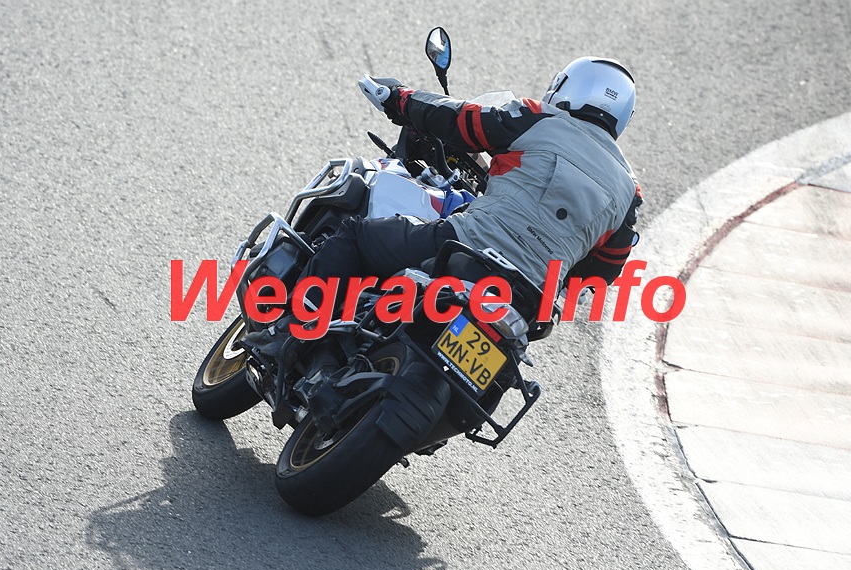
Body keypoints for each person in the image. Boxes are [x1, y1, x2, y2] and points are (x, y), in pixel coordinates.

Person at [239, 57, 644, 413]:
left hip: (468, 247)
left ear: (567, 88)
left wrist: (398, 100)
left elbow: (461, 120)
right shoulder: (629, 191)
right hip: (526, 301)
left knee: (357, 239)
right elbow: (602, 273)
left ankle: (289, 330)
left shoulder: (540, 120)